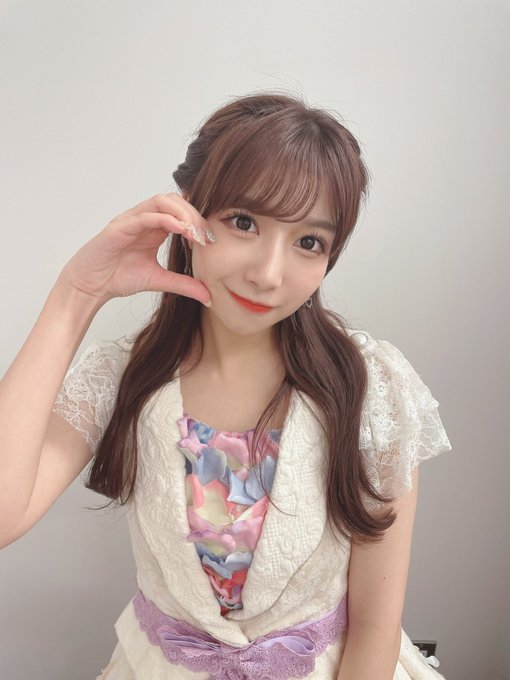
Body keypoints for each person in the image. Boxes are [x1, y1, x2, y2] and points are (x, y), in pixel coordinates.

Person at [0, 91, 453, 680]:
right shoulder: (124, 375)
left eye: (308, 242)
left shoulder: (370, 387)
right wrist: (76, 295)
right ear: (188, 215)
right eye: (244, 222)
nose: (268, 273)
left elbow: (374, 626)